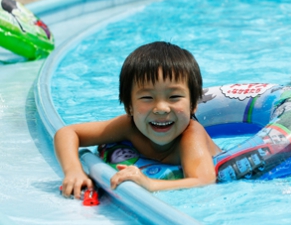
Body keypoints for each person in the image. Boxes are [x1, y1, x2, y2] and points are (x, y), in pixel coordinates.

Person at [55, 42, 221, 198]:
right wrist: (74, 171)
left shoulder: (192, 136)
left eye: (174, 96)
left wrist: (149, 184)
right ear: (129, 107)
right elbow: (67, 132)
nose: (161, 108)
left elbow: (204, 181)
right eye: (147, 97)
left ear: (193, 105)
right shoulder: (129, 127)